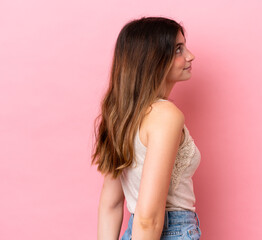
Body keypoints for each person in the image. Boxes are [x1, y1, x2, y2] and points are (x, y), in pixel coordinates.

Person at [91, 17, 201, 240]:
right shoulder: (165, 116)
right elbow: (148, 219)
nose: (190, 56)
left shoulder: (121, 115)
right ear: (153, 59)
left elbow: (111, 204)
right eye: (178, 49)